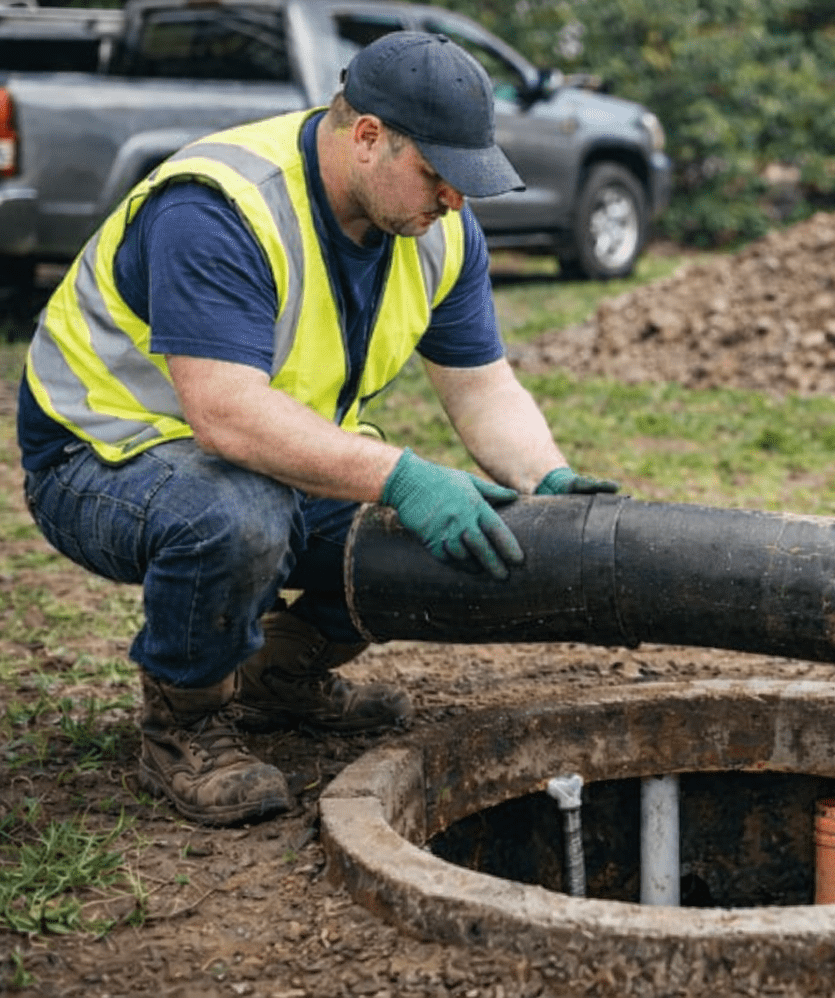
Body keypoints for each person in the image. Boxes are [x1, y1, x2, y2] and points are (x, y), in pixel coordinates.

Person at [15, 32, 617, 827]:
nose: (454, 202)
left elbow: (481, 388)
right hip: (100, 459)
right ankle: (185, 724)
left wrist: (545, 481)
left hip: (261, 457)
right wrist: (400, 474)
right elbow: (225, 413)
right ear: (367, 137)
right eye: (438, 175)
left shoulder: (438, 233)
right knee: (238, 518)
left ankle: (280, 675)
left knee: (446, 534)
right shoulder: (219, 206)